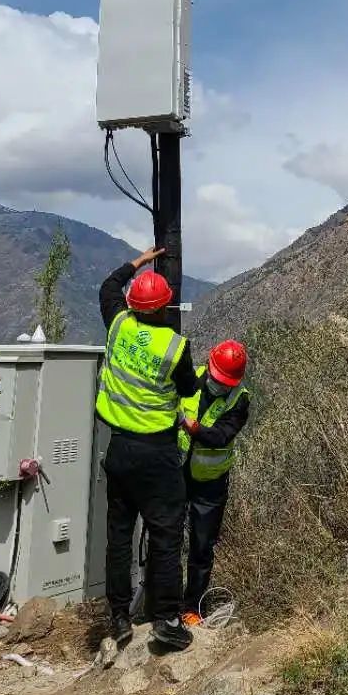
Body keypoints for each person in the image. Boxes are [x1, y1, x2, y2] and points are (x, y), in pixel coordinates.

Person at [97, 245, 202, 651]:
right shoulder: (174, 347)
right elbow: (188, 389)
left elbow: (108, 287)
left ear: (133, 305)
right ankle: (167, 620)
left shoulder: (118, 325)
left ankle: (119, 618)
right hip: (157, 455)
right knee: (165, 536)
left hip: (120, 450)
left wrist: (136, 262)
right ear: (163, 308)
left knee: (119, 537)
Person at [177, 339, 251, 627]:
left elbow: (221, 436)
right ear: (209, 366)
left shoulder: (239, 400)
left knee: (201, 546)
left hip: (211, 483)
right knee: (167, 537)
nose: (218, 385)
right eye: (217, 378)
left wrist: (193, 428)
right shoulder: (193, 378)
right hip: (178, 471)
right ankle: (163, 601)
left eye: (225, 383)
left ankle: (192, 607)